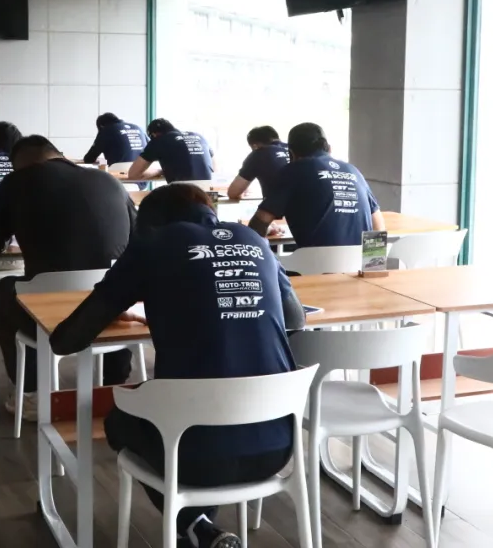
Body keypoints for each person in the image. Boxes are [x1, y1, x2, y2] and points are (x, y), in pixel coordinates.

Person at [51, 184, 305, 548]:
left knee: (120, 420)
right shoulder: (253, 240)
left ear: (149, 223)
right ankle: (200, 531)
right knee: (200, 412)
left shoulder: (152, 245)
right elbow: (295, 318)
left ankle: (195, 525)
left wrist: (128, 300)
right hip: (277, 447)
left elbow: (67, 340)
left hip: (192, 454)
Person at [0, 135, 138, 419]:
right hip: (109, 308)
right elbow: (137, 241)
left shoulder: (16, 183)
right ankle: (113, 385)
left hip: (51, 308)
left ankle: (31, 393)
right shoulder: (109, 181)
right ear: (59, 154)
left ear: (19, 165)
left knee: (2, 290)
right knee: (112, 291)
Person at [249, 122, 384, 247]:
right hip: (357, 263)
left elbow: (260, 222)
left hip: (312, 263)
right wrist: (374, 262)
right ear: (329, 149)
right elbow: (378, 226)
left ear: (291, 154)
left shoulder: (292, 171)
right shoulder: (354, 171)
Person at [127, 118, 215, 183]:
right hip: (209, 193)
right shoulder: (198, 136)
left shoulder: (159, 140)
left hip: (182, 193)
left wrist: (159, 171)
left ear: (154, 134)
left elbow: (133, 174)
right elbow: (214, 168)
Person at [227, 126, 289, 201]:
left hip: (279, 206)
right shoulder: (294, 148)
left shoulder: (259, 153)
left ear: (255, 146)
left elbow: (233, 193)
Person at [83, 113, 148, 166]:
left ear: (101, 126)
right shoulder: (138, 128)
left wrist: (101, 161)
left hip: (118, 172)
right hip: (141, 171)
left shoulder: (106, 130)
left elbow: (89, 158)